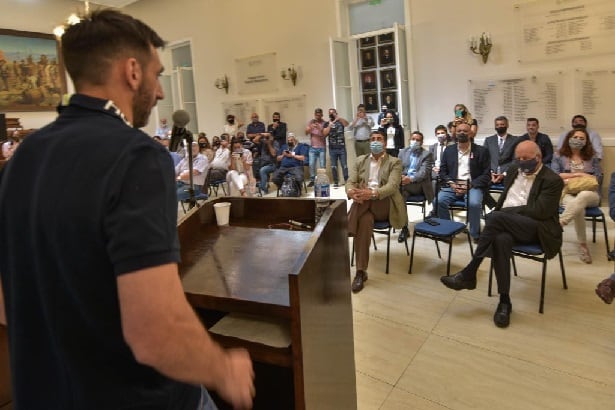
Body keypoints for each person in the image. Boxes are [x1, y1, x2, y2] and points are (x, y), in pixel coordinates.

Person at [0, 9, 254, 410]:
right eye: (157, 75)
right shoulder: (136, 157)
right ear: (132, 71)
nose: (160, 92)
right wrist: (225, 370)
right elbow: (156, 331)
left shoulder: (21, 159)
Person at [440, 141, 563, 328]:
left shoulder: (552, 180)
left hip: (536, 228)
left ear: (538, 158)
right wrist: (501, 215)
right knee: (500, 240)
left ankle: (470, 271)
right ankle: (504, 301)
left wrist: (504, 214)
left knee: (495, 218)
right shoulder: (514, 169)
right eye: (518, 158)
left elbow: (540, 211)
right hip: (506, 226)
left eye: (526, 159)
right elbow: (503, 195)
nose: (521, 162)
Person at [347, 131, 407, 293]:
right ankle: (360, 272)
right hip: (364, 207)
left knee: (364, 200)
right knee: (365, 222)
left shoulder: (395, 162)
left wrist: (371, 193)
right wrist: (351, 192)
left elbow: (392, 186)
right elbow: (350, 181)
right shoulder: (361, 160)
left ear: (385, 144)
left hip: (384, 205)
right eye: (372, 139)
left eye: (379, 139)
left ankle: (346, 228)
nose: (375, 142)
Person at [552, 128, 601, 264]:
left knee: (583, 196)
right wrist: (579, 174)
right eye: (576, 137)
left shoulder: (592, 157)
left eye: (582, 138)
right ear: (569, 138)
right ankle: (583, 246)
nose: (578, 140)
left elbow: (597, 178)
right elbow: (555, 176)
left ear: (586, 142)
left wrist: (568, 178)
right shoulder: (558, 155)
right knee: (579, 208)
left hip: (590, 194)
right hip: (566, 193)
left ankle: (561, 222)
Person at [437, 122, 491, 242]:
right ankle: (448, 230)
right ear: (455, 133)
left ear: (471, 133)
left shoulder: (482, 151)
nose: (462, 133)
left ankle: (475, 234)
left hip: (473, 185)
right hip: (453, 185)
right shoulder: (449, 150)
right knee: (438, 201)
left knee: (474, 204)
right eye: (459, 131)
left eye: (465, 131)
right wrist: (452, 183)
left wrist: (470, 184)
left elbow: (486, 175)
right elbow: (442, 172)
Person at [396, 131, 434, 242]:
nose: (415, 141)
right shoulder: (403, 152)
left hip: (419, 185)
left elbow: (423, 173)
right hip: (404, 185)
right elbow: (397, 168)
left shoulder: (427, 154)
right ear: (410, 140)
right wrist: (402, 177)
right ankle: (404, 228)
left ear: (422, 142)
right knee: (400, 196)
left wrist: (410, 179)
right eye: (413, 139)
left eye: (418, 140)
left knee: (397, 191)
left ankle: (394, 219)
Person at [483, 116, 519, 208]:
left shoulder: (515, 140)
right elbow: (484, 159)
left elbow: (515, 160)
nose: (500, 126)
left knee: (513, 189)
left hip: (507, 174)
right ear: (495, 127)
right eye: (497, 125)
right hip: (491, 173)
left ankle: (505, 209)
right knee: (478, 186)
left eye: (502, 124)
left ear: (507, 125)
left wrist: (504, 174)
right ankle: (494, 207)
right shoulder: (488, 140)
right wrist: (491, 173)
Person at [323, 107, 350, 187]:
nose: (331, 114)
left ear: (336, 113)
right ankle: (335, 182)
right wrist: (329, 126)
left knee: (344, 165)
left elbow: (347, 124)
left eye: (333, 113)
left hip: (341, 147)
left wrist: (338, 118)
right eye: (330, 113)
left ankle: (347, 181)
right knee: (334, 166)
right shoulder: (327, 123)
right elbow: (324, 134)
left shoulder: (340, 121)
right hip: (332, 148)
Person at [305, 108, 326, 187]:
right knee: (311, 164)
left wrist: (319, 128)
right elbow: (306, 132)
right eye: (316, 115)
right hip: (312, 147)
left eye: (319, 115)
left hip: (321, 147)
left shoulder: (324, 123)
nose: (318, 116)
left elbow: (324, 134)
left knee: (322, 165)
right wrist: (311, 127)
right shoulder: (311, 122)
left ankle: (322, 180)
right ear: (315, 115)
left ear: (322, 115)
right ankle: (312, 180)